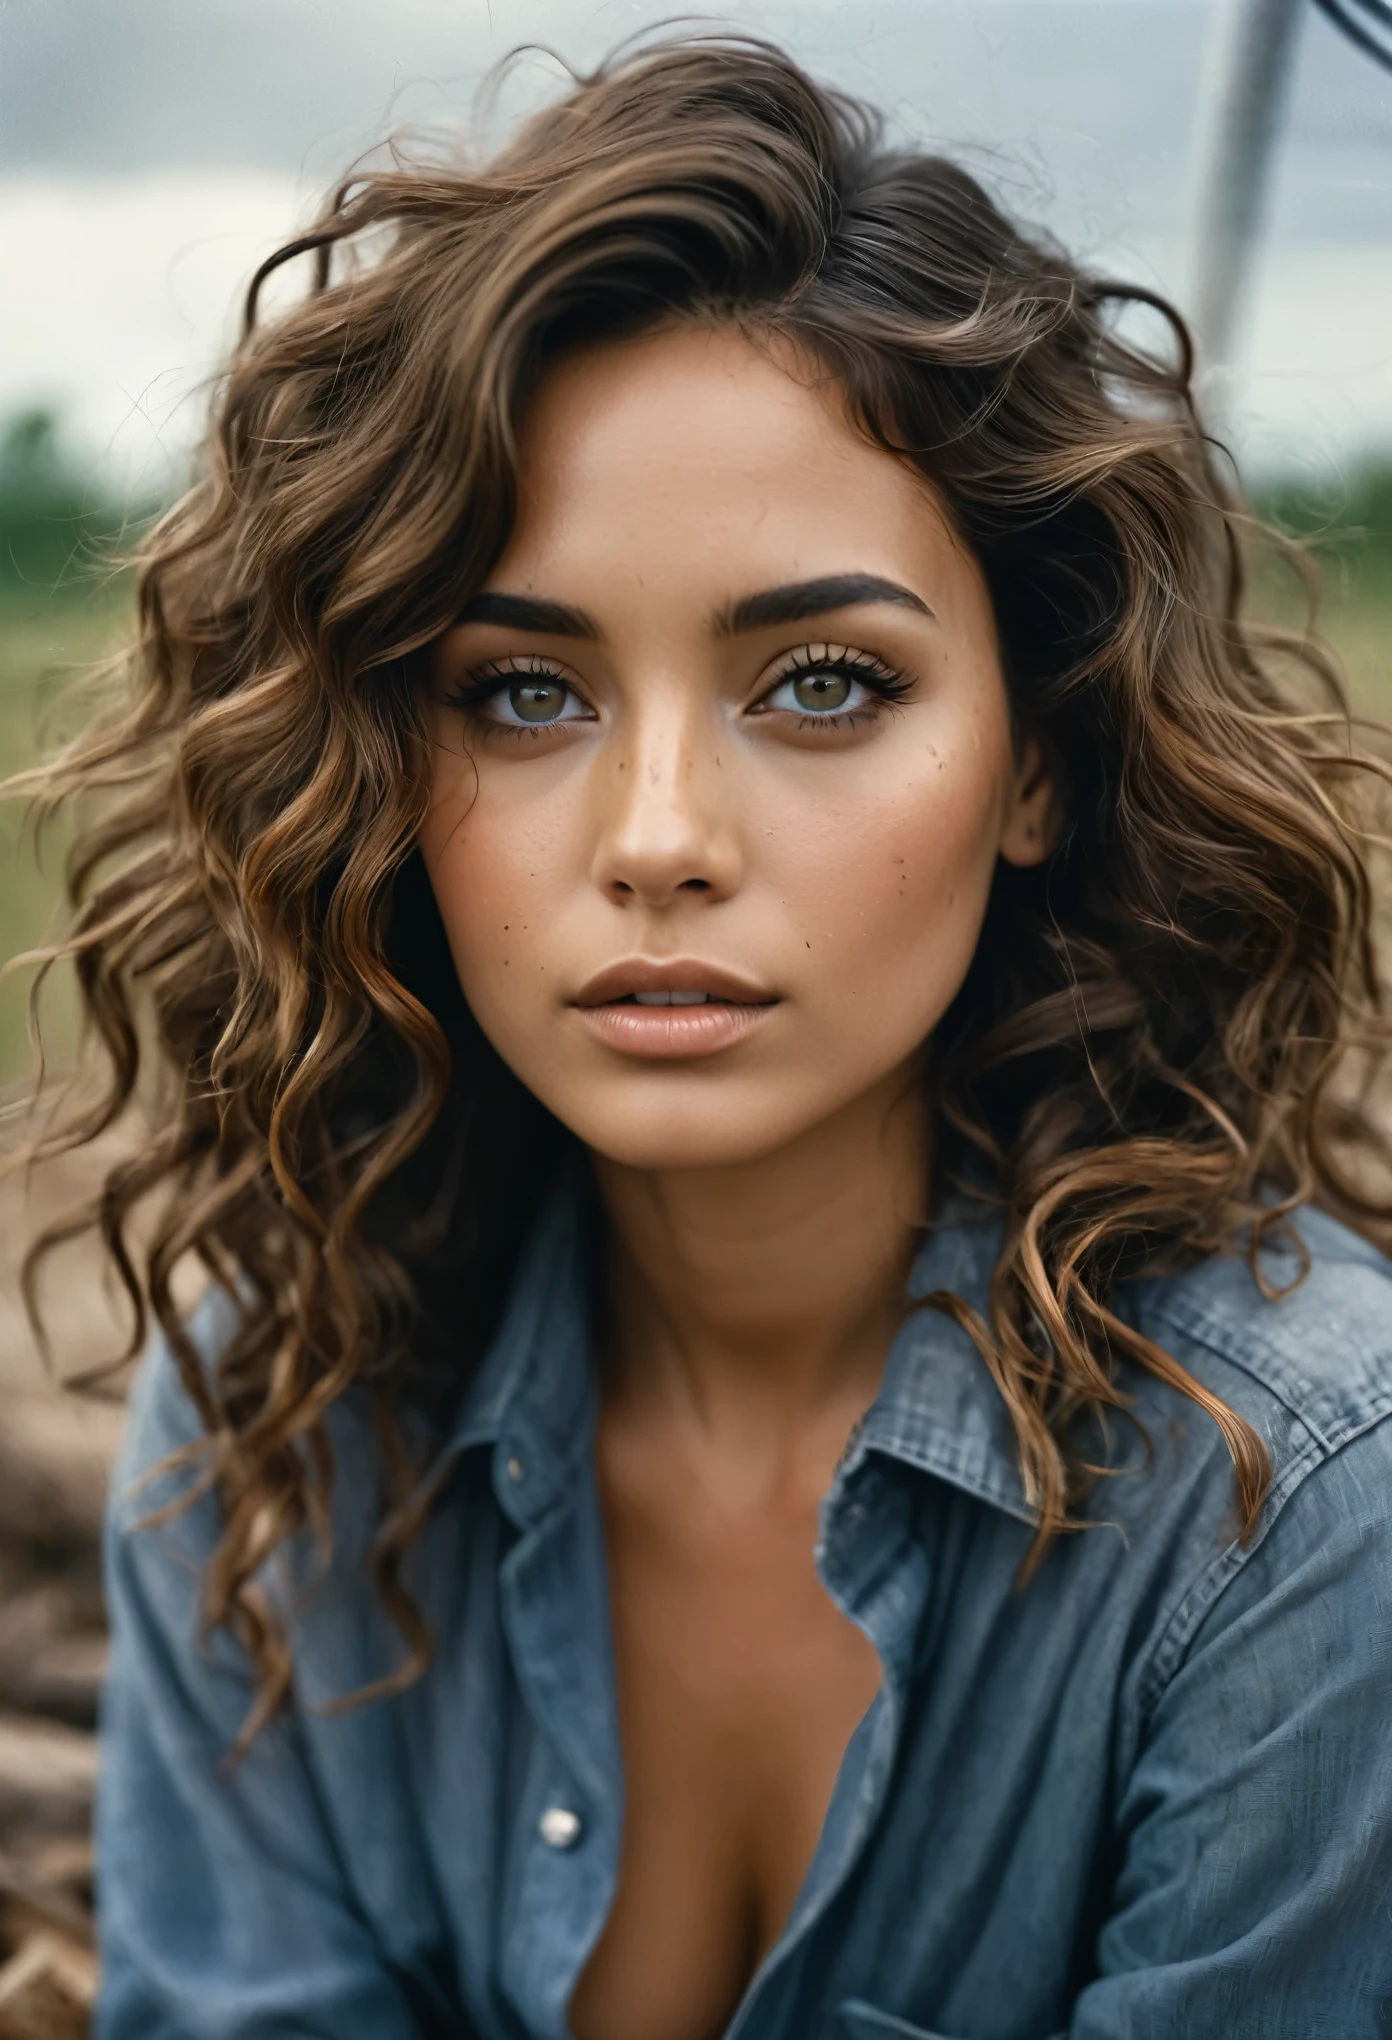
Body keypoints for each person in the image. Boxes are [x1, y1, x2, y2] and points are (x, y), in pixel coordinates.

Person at [20, 33, 1392, 2040]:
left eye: (825, 683)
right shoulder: (278, 1421)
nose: (660, 841)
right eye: (522, 694)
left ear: (1039, 758)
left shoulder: (1303, 1505)